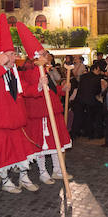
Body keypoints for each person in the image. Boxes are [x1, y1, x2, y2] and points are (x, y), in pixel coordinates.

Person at [0, 14, 40, 193]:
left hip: (16, 121)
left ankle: (24, 178)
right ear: (2, 56)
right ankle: (5, 180)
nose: (13, 58)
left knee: (22, 152)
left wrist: (40, 86)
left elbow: (24, 89)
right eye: (10, 54)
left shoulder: (14, 72)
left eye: (14, 54)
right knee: (1, 155)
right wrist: (1, 66)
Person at [16, 24, 75, 180]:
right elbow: (24, 89)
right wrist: (38, 86)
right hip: (38, 112)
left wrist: (63, 89)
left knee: (56, 142)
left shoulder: (47, 69)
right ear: (35, 55)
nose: (46, 55)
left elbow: (52, 90)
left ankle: (57, 169)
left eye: (45, 53)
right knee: (41, 143)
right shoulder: (27, 70)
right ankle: (43, 172)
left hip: (52, 111)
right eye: (43, 53)